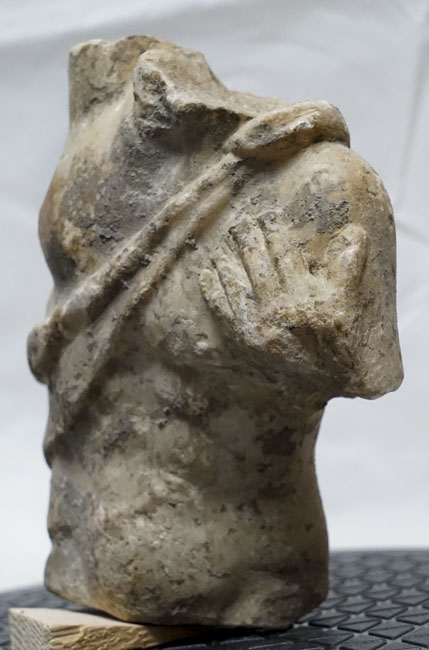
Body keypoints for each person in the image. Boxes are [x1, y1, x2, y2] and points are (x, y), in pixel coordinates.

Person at [27, 36, 403, 628]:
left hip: (238, 565)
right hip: (80, 546)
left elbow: (373, 366)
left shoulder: (309, 186)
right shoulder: (85, 156)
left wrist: (307, 363)